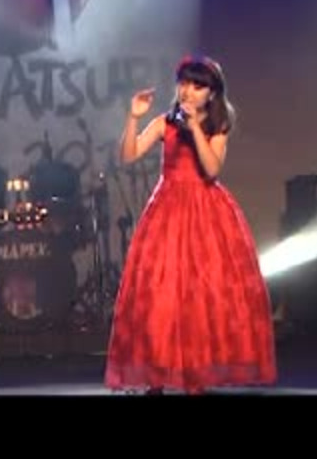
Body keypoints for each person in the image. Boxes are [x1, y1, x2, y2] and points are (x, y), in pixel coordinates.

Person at [104, 54, 277, 395]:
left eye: (197, 86)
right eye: (184, 83)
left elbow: (211, 169)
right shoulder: (164, 124)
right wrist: (133, 117)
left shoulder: (218, 125)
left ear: (211, 93)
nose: (188, 91)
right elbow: (127, 155)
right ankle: (156, 377)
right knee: (160, 294)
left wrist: (195, 126)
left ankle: (196, 377)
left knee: (201, 296)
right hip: (167, 211)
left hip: (206, 213)